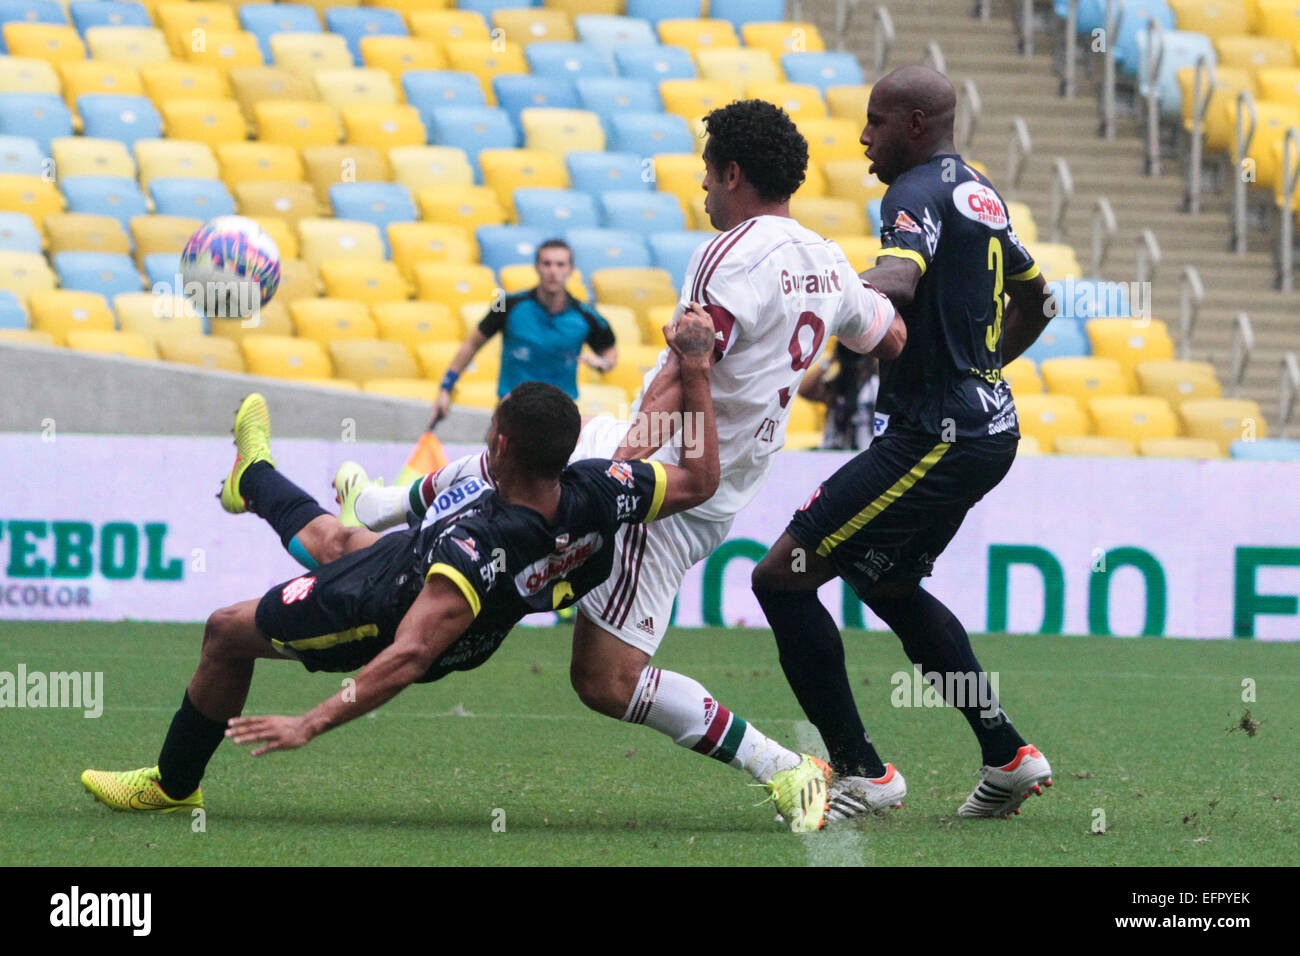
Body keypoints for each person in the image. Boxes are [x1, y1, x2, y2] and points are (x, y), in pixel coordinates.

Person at [353, 100, 907, 832]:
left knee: (604, 681)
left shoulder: (731, 253)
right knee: (535, 451)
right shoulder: (827, 261)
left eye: (708, 176)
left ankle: (782, 768)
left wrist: (616, 476)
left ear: (733, 174)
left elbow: (683, 373)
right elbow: (890, 338)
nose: (703, 191)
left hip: (668, 487)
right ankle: (388, 503)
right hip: (710, 479)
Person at [81, 306, 844, 821]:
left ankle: (174, 784)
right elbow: (700, 481)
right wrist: (698, 367)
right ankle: (264, 481)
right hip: (449, 580)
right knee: (339, 542)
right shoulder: (597, 490)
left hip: (377, 616)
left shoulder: (472, 551)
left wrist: (307, 723)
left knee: (225, 629)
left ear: (502, 446)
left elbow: (410, 653)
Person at [750, 64, 1059, 824]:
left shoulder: (912, 194)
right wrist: (981, 371)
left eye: (877, 120)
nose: (863, 136)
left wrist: (816, 287)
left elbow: (895, 281)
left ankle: (863, 772)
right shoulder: (977, 191)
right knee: (886, 585)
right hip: (985, 426)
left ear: (915, 125)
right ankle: (1008, 755)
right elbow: (1042, 299)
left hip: (936, 434)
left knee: (781, 578)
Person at [432, 238, 617, 425]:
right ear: (536, 267)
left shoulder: (587, 316)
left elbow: (610, 351)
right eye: (547, 264)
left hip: (560, 415)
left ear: (570, 270)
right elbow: (472, 344)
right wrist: (446, 387)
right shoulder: (507, 305)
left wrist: (604, 363)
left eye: (560, 265)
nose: (553, 271)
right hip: (511, 410)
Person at [798, 343, 880, 450]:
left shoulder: (876, 385)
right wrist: (832, 357)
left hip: (867, 451)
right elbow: (804, 389)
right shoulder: (835, 388)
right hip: (834, 453)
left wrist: (873, 356)